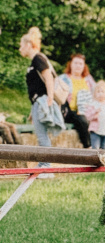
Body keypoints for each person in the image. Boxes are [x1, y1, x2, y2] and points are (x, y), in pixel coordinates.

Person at [19, 27, 64, 177]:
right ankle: (44, 164)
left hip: (43, 101)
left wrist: (50, 97)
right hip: (38, 103)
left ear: (28, 44)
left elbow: (48, 77)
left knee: (42, 135)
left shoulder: (38, 58)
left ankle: (46, 166)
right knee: (41, 134)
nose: (20, 48)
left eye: (21, 45)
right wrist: (33, 110)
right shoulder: (33, 61)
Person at [57, 53, 95, 148]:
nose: (78, 66)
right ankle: (88, 147)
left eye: (80, 64)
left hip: (87, 111)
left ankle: (103, 148)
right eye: (76, 63)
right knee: (82, 120)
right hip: (70, 111)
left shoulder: (88, 79)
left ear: (84, 66)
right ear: (71, 64)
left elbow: (96, 94)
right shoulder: (63, 78)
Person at [84, 80, 105, 150]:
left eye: (102, 91)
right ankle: (95, 160)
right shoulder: (93, 105)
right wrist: (94, 113)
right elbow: (88, 117)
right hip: (95, 131)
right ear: (94, 93)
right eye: (98, 92)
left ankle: (103, 160)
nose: (100, 94)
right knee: (95, 148)